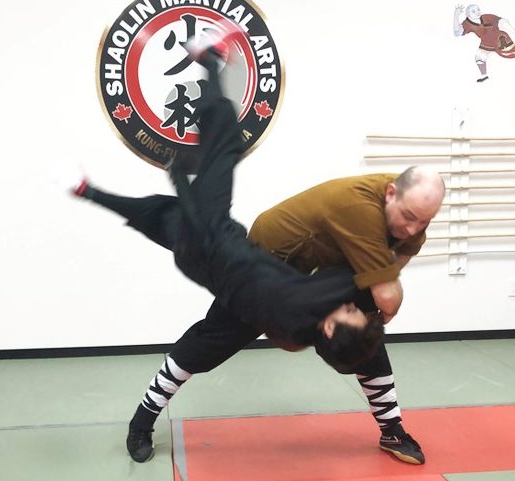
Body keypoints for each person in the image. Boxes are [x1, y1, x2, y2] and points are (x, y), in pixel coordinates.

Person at [77, 24, 445, 466]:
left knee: (364, 341)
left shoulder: (408, 221)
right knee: (207, 344)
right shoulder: (359, 207)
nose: (412, 230)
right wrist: (345, 313)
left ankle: (391, 429)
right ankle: (142, 421)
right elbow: (389, 293)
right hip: (266, 265)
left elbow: (382, 288)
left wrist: (353, 319)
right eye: (407, 218)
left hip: (319, 276)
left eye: (423, 222)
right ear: (391, 194)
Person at [453, 4, 515, 82]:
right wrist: (456, 15)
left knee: (511, 51)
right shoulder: (467, 23)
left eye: (478, 9)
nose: (477, 12)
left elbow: (501, 21)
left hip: (500, 39)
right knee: (479, 57)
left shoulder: (487, 17)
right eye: (473, 11)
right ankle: (484, 76)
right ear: (468, 15)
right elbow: (457, 32)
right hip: (486, 42)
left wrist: (513, 30)